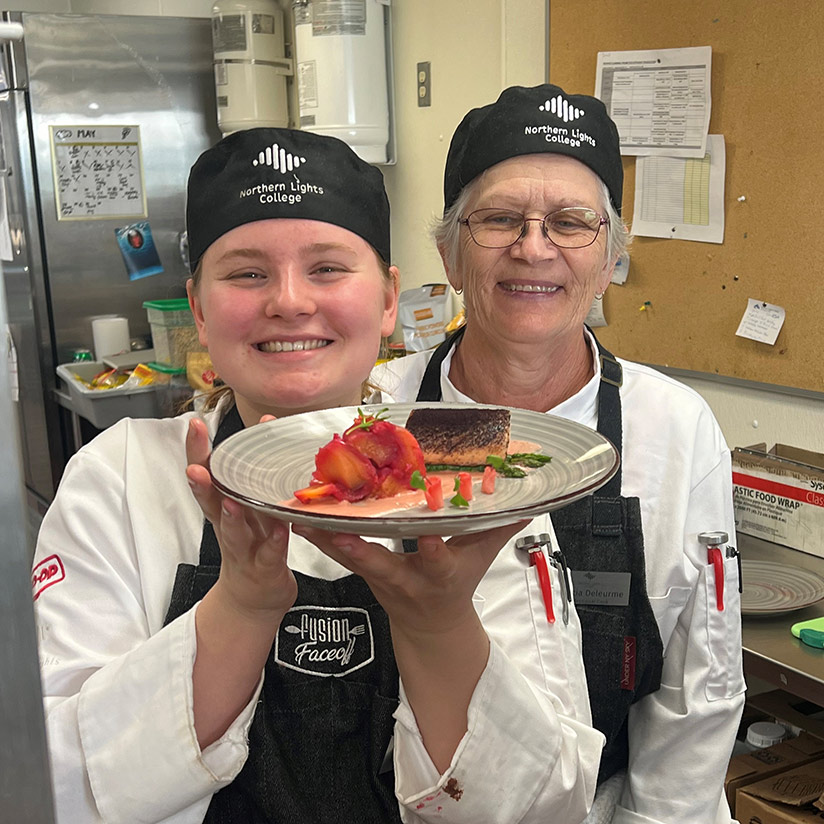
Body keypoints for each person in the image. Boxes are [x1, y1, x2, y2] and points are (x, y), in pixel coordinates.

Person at [31, 126, 603, 824]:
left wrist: (439, 627)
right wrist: (240, 606)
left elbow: (554, 806)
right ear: (201, 310)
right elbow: (51, 788)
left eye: (328, 268)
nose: (291, 301)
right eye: (247, 272)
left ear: (389, 300)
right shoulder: (120, 473)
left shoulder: (474, 457)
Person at [373, 84, 746, 824]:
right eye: (500, 219)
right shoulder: (378, 414)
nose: (534, 246)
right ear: (449, 251)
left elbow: (697, 684)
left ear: (610, 258)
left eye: (572, 223)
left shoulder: (670, 425)